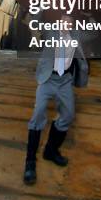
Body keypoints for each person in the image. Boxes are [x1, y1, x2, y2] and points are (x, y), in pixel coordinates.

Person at [23, 14, 89, 184]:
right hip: (48, 79)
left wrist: (90, 15)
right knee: (38, 115)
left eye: (70, 22)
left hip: (65, 80)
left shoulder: (75, 35)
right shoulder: (50, 31)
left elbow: (94, 32)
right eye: (64, 21)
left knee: (67, 116)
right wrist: (40, 7)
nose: (66, 24)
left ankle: (51, 151)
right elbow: (35, 22)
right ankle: (30, 163)